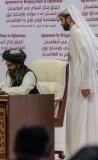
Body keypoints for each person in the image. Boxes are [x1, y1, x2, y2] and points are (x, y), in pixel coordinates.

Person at [57, 5, 98, 157]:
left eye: (61, 20)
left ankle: (78, 154)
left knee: (79, 119)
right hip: (79, 82)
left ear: (69, 18)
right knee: (78, 118)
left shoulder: (77, 33)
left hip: (81, 84)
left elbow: (86, 57)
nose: (60, 23)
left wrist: (85, 84)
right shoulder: (77, 32)